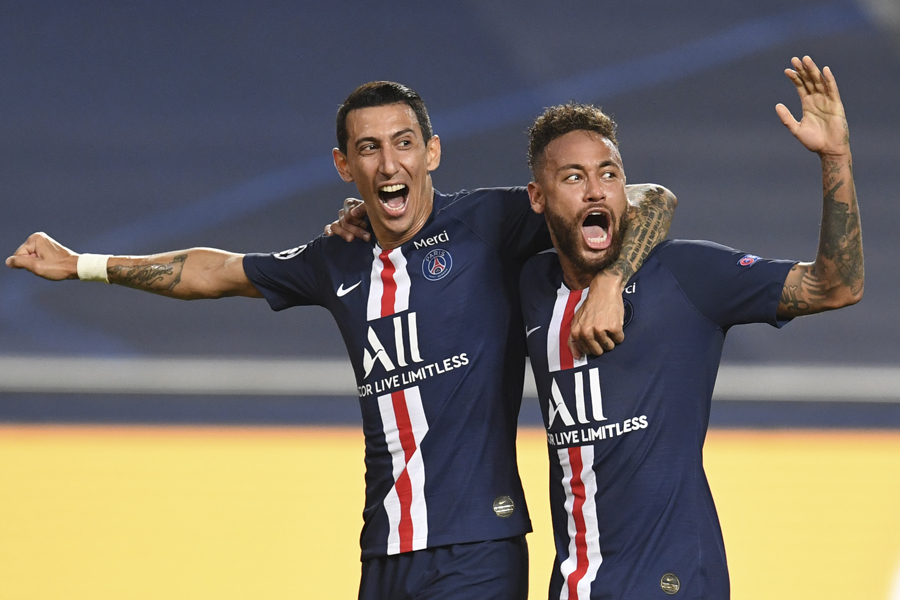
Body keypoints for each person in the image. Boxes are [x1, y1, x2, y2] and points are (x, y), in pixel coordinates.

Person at [6, 81, 675, 599]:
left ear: (432, 153)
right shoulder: (338, 257)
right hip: (382, 550)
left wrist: (611, 280)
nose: (389, 162)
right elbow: (216, 272)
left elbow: (650, 198)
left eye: (404, 142)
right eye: (369, 148)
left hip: (478, 546)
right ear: (343, 165)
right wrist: (82, 264)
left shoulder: (490, 223)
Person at [518, 56, 862, 599]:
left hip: (673, 583)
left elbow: (835, 285)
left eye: (609, 174)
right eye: (574, 177)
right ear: (537, 197)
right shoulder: (531, 287)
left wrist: (835, 158)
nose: (596, 191)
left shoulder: (687, 275)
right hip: (575, 585)